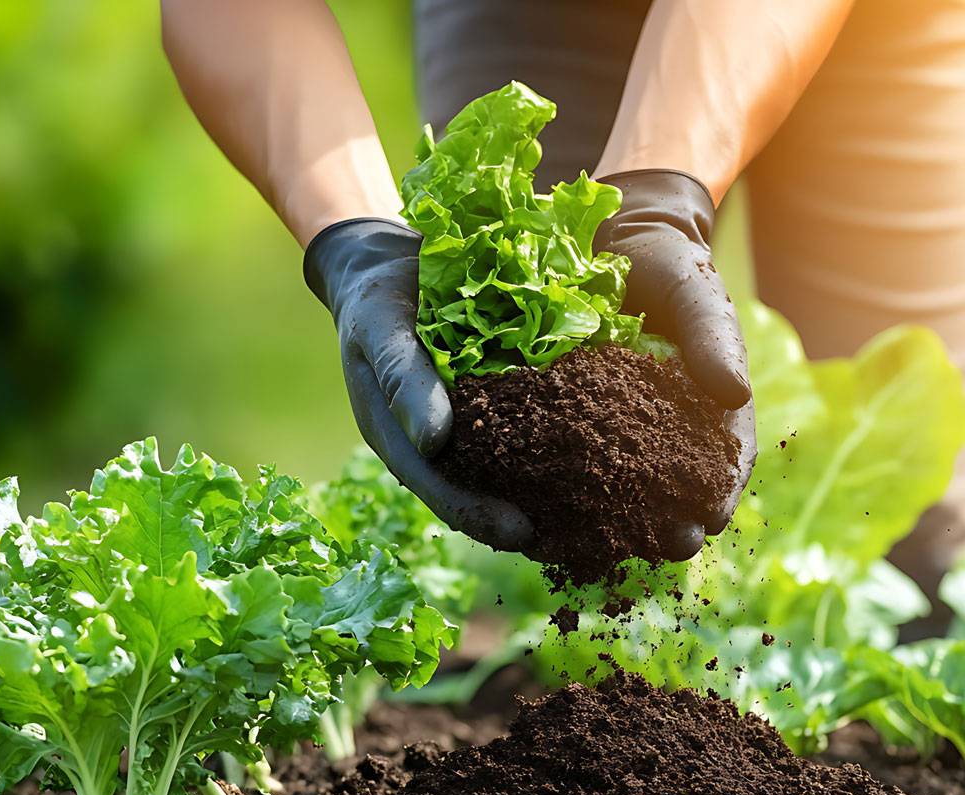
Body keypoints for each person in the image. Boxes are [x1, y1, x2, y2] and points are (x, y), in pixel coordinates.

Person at [161, 1, 965, 613]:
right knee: (546, 431)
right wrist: (355, 241)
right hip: (536, 11)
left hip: (878, 28)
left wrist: (661, 191)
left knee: (915, 525)